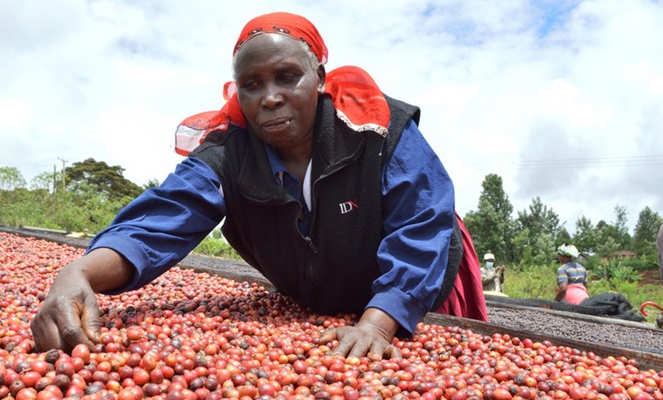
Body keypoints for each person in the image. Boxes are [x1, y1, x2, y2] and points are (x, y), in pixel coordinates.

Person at [31, 12, 488, 360]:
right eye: (252, 85)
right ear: (238, 93)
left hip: (415, 285)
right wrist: (80, 273)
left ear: (320, 80)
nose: (269, 97)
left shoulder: (376, 128)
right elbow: (158, 222)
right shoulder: (227, 153)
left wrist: (380, 324)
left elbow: (423, 221)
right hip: (322, 301)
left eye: (287, 77)